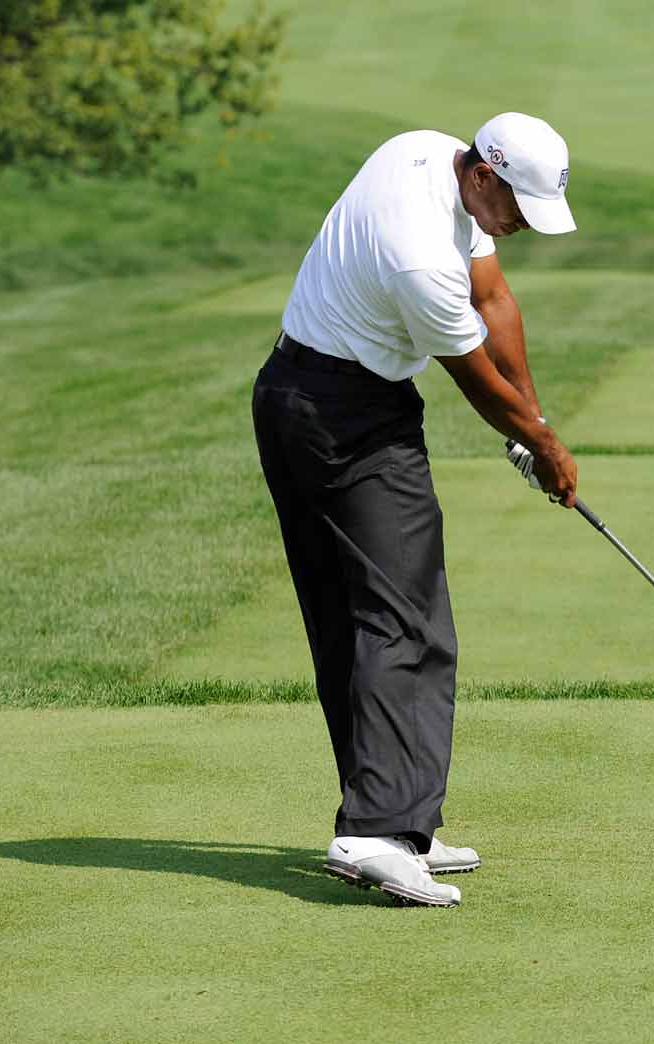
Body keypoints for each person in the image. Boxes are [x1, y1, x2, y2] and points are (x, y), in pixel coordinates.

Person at [252, 113, 580, 908]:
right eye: (516, 209)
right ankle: (377, 828)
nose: (520, 227)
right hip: (348, 421)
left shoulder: (428, 153)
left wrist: (536, 426)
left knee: (353, 618)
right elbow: (474, 378)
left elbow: (495, 297)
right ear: (484, 176)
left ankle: (391, 820)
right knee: (410, 621)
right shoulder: (420, 255)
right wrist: (544, 446)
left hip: (294, 395)